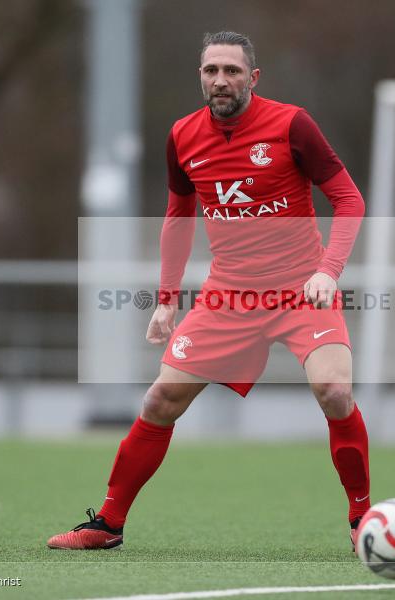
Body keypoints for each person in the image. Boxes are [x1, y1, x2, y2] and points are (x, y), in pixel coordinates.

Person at [48, 31, 367, 550]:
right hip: (229, 296)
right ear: (200, 75)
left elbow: (349, 199)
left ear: (253, 78)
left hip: (300, 291)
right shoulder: (182, 136)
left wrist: (329, 270)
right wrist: (167, 299)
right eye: (211, 70)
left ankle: (362, 522)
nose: (221, 80)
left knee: (334, 392)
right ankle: (107, 525)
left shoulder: (292, 124)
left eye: (233, 71)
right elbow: (178, 217)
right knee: (160, 400)